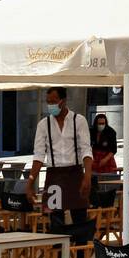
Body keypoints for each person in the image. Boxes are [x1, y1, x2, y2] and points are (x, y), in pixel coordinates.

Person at [26, 87, 92, 223]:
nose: (51, 105)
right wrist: (30, 182)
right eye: (48, 102)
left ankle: (80, 243)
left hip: (75, 173)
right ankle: (58, 244)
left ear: (63, 101)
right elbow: (38, 156)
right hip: (54, 175)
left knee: (80, 217)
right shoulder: (43, 125)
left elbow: (86, 150)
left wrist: (87, 176)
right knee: (55, 219)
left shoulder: (79, 121)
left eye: (53, 101)